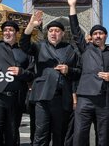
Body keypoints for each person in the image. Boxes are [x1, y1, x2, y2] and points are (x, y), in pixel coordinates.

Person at [67, 0, 109, 146]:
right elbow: (75, 31)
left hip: (106, 100)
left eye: (101, 33)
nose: (98, 36)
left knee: (104, 137)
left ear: (106, 35)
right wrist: (72, 6)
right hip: (85, 98)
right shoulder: (86, 49)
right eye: (95, 34)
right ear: (91, 37)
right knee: (80, 135)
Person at [0, 0, 34, 145]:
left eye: (11, 30)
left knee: (12, 134)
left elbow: (32, 73)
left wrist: (21, 72)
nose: (7, 32)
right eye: (5, 30)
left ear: (16, 33)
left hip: (16, 99)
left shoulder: (25, 52)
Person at [20, 10, 79, 146]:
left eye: (57, 31)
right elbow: (24, 44)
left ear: (63, 33)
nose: (53, 33)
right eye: (51, 30)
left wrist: (68, 70)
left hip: (62, 97)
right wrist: (31, 25)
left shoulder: (70, 49)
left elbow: (78, 72)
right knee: (41, 134)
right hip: (43, 96)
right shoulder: (40, 46)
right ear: (47, 33)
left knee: (60, 134)